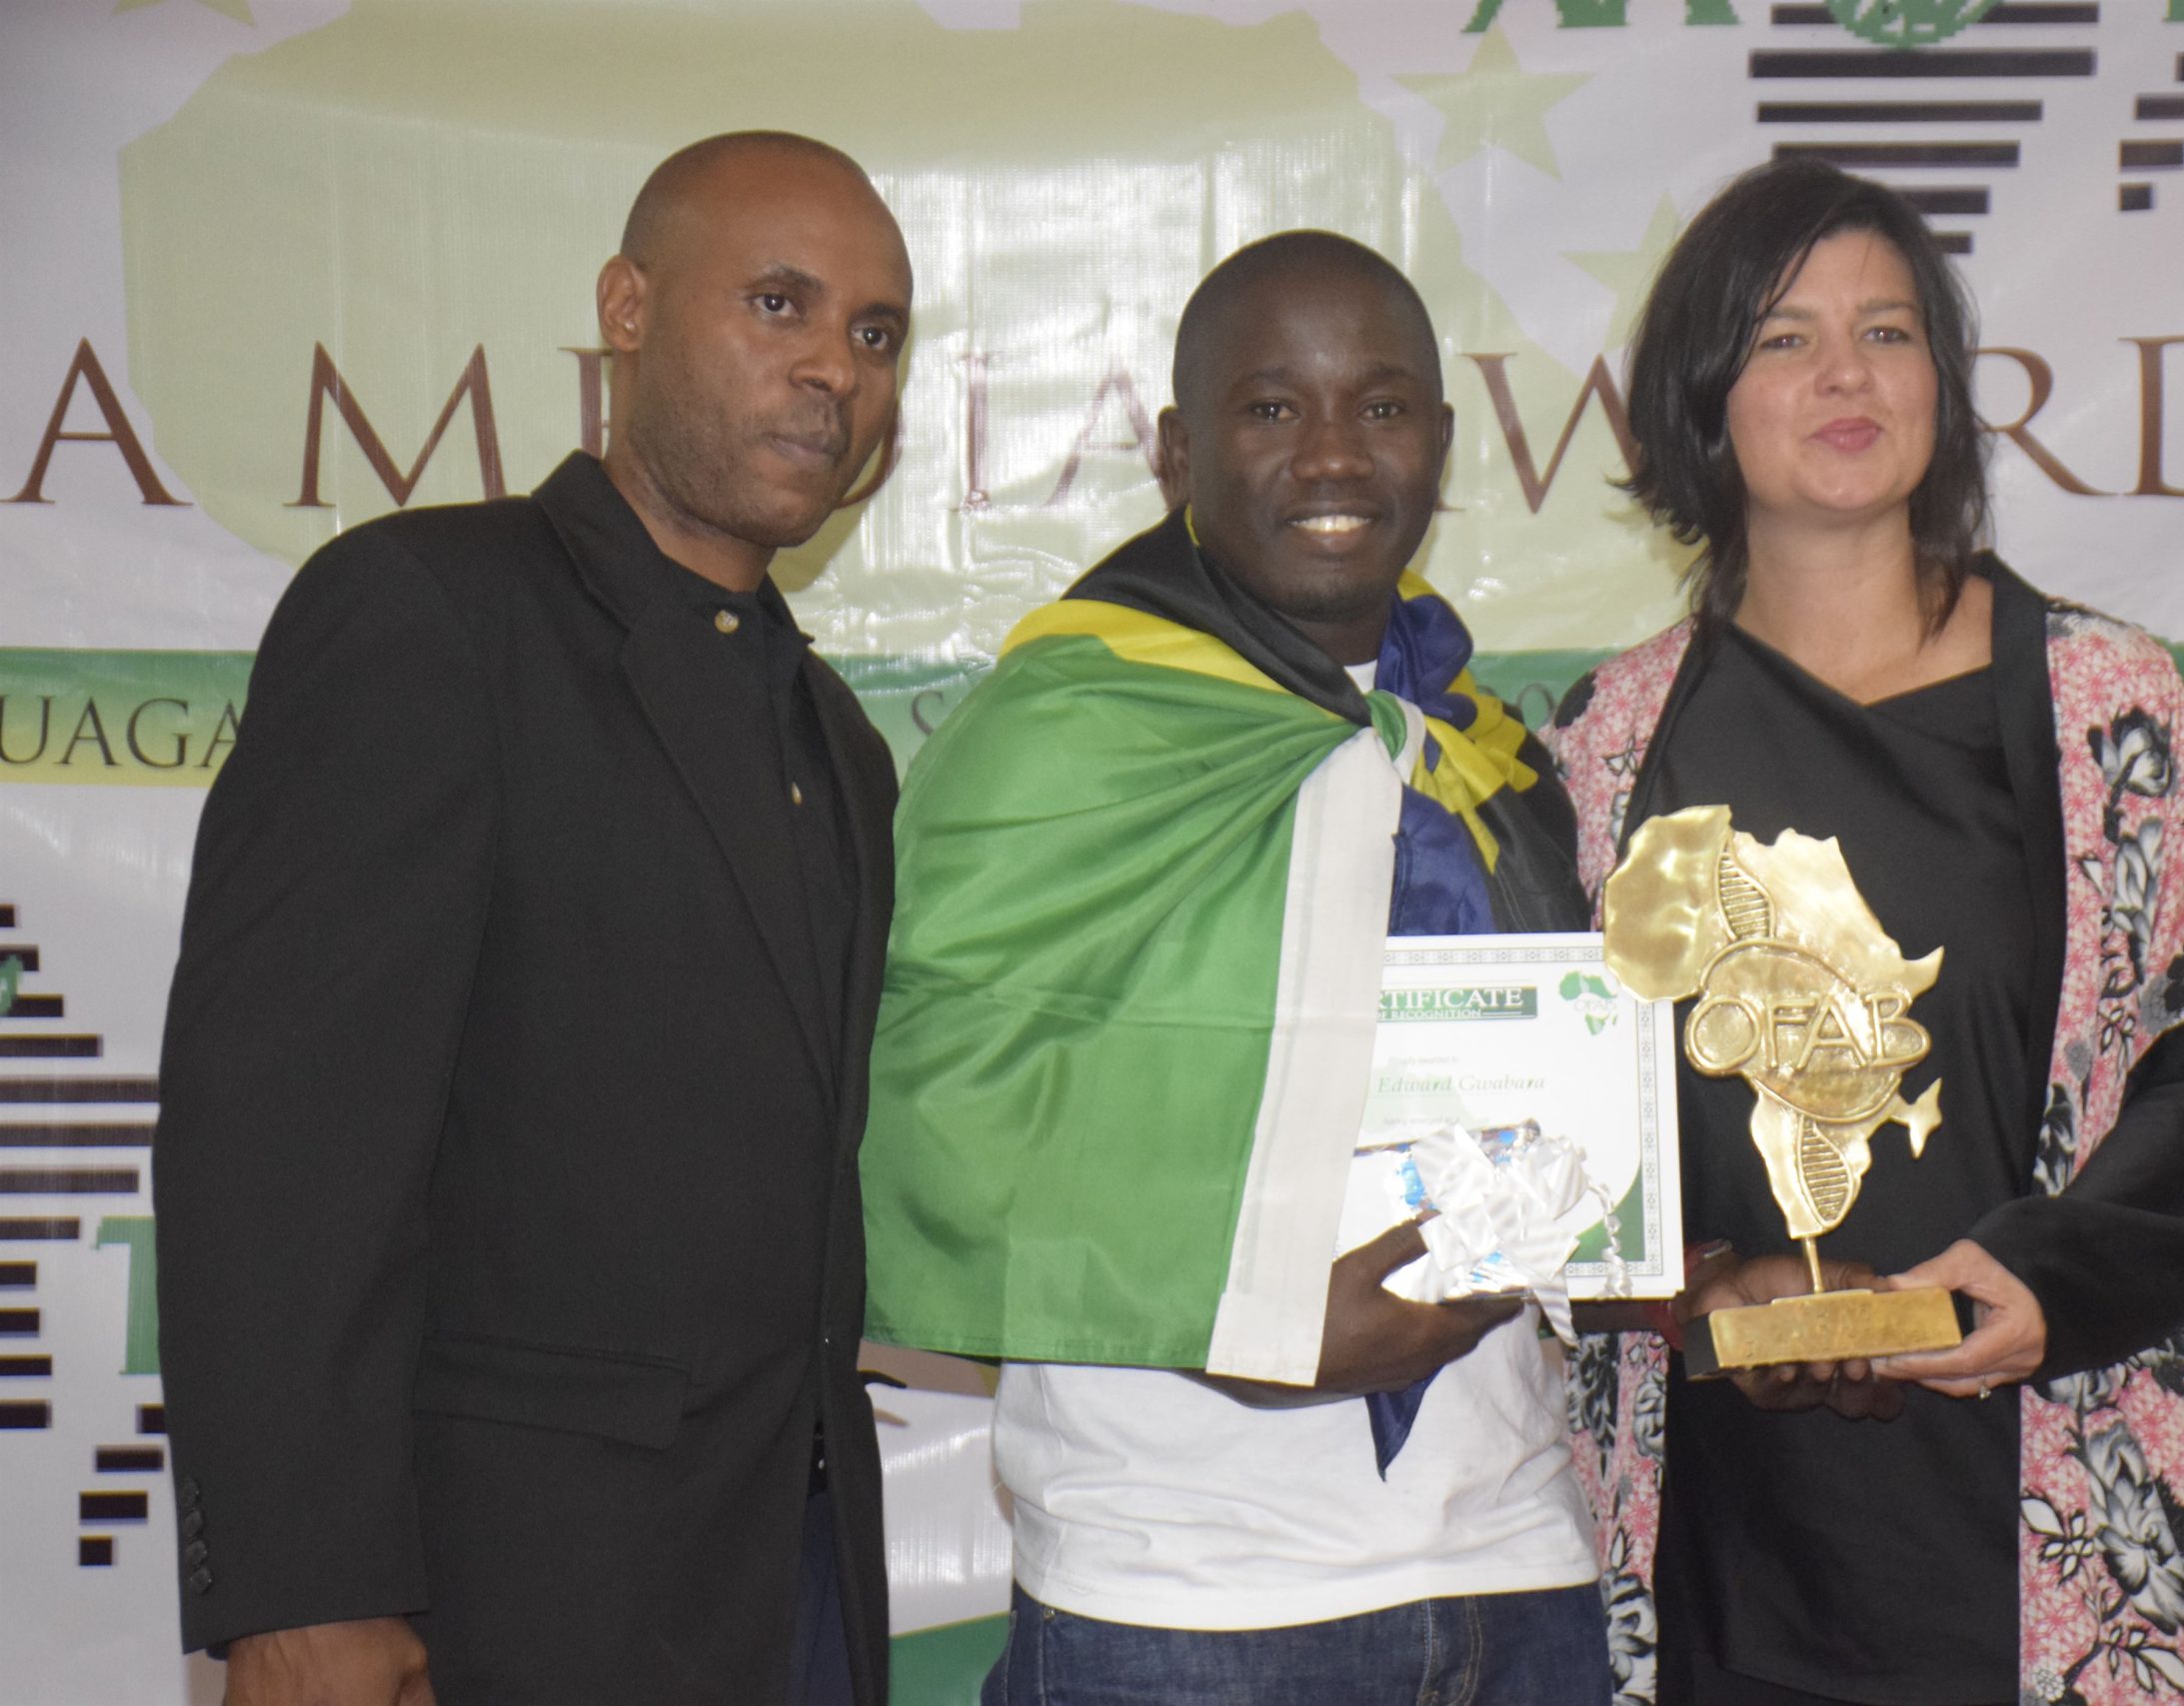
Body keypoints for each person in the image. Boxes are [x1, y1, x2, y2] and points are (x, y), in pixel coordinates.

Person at [1544, 160, 2184, 1706]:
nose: (1846, 374)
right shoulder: (1605, 747)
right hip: (1735, 1554)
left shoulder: (2111, 708)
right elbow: (1550, 1147)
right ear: (1700, 405)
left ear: (1945, 392)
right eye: (1783, 340)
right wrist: (1703, 1289)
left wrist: (2053, 1272)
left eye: (1889, 333)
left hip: (2070, 1511)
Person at [153, 132, 912, 1706]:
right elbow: (280, 1143)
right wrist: (302, 1596)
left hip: (788, 1588)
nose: (833, 367)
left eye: (874, 332)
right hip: (498, 1598)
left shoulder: (831, 734)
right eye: (779, 304)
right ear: (627, 308)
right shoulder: (431, 613)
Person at [860, 232, 1609, 1705]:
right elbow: (942, 1116)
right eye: (1273, 410)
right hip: (1183, 1594)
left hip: (1513, 1560)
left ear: (1442, 446)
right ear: (1177, 449)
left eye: (1382, 408)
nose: (1332, 455)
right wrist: (1249, 1320)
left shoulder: (1485, 751)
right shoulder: (1057, 731)